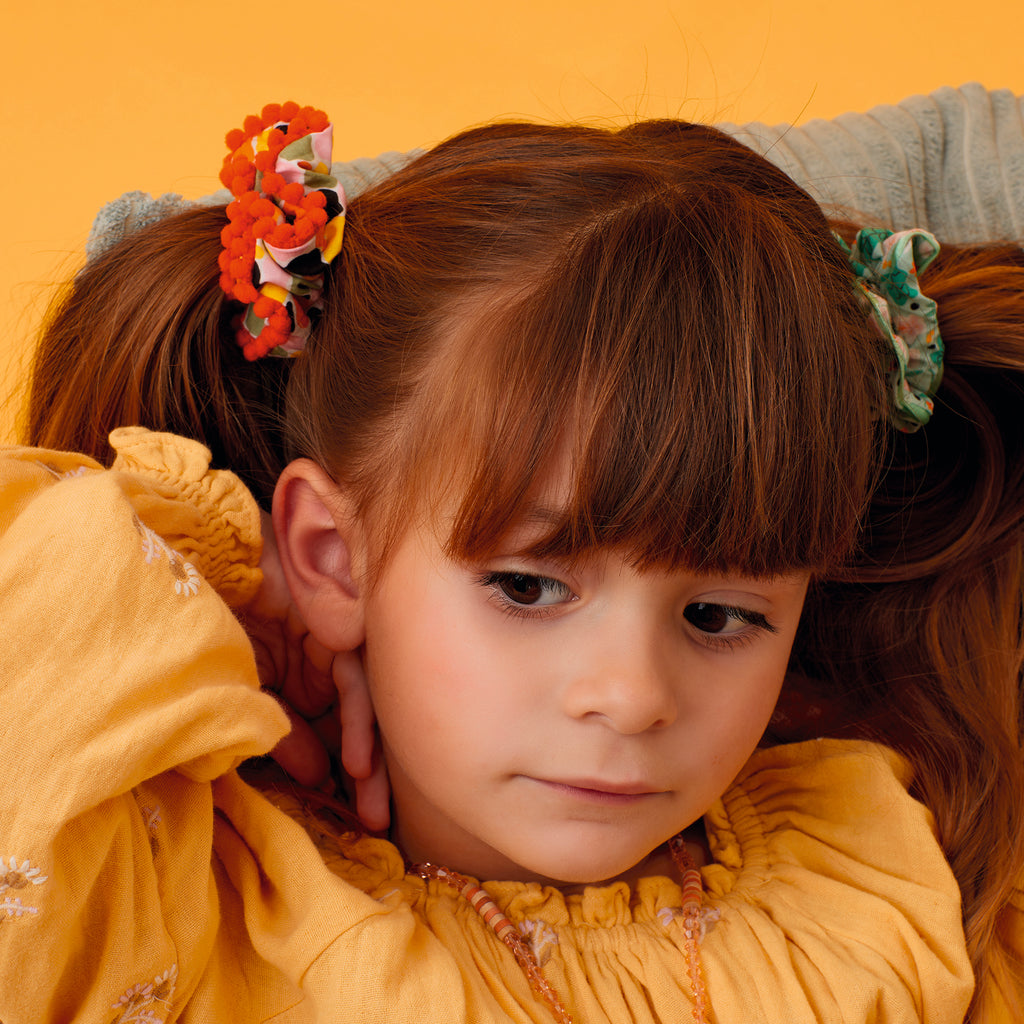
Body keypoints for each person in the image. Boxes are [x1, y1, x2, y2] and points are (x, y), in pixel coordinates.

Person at [3, 100, 1022, 1023]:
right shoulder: (192, 886)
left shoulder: (885, 885)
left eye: (717, 615)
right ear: (331, 552)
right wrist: (234, 589)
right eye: (527, 586)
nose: (631, 698)